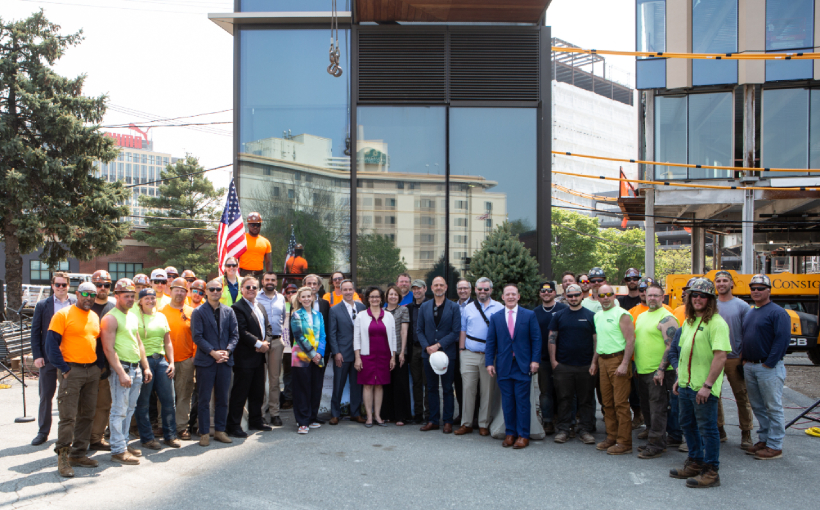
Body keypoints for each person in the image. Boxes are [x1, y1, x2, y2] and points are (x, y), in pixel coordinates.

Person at [669, 278, 731, 488]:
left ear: (710, 299)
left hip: (703, 389)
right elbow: (683, 354)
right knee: (687, 425)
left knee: (708, 430)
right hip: (686, 386)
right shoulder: (689, 322)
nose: (697, 299)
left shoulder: (717, 323)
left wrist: (707, 386)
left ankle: (711, 471)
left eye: (702, 295)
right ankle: (695, 462)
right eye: (694, 295)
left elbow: (720, 357)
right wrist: (680, 379)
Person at [45, 282, 102, 477]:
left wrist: (99, 367)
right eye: (85, 294)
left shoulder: (94, 316)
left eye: (92, 295)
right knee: (68, 416)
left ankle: (78, 454)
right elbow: (51, 344)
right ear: (77, 294)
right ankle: (63, 457)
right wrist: (64, 369)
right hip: (72, 371)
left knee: (87, 414)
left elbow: (99, 343)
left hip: (91, 371)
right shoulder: (63, 314)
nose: (89, 298)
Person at [101, 278, 152, 466]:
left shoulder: (132, 316)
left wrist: (145, 366)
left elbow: (139, 343)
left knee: (129, 410)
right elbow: (108, 349)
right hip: (122, 369)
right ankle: (117, 450)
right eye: (126, 296)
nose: (130, 299)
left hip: (136, 367)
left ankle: (123, 444)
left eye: (132, 296)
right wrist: (121, 373)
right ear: (117, 296)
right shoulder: (110, 318)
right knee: (119, 410)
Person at [485, 283, 542, 450]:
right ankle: (510, 433)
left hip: (523, 365)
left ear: (518, 297)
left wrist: (535, 360)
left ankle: (523, 435)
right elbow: (491, 342)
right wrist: (489, 362)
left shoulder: (529, 315)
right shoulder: (496, 317)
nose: (510, 297)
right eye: (507, 294)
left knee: (523, 402)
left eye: (513, 294)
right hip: (504, 366)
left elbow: (536, 340)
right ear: (502, 297)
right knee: (508, 402)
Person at [742, 274, 791, 460]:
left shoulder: (778, 313)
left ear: (769, 290)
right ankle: (764, 439)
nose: (756, 291)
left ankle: (775, 445)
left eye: (760, 288)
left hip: (768, 367)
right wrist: (745, 360)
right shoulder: (751, 312)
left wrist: (769, 362)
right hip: (751, 366)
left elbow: (782, 340)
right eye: (753, 288)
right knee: (758, 406)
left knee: (773, 406)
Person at [632, 283, 679, 459]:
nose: (652, 298)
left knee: (657, 408)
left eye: (656, 295)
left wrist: (661, 369)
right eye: (649, 295)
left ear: (662, 297)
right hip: (642, 370)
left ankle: (657, 445)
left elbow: (671, 346)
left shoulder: (667, 318)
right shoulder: (643, 316)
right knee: (647, 408)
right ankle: (653, 439)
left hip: (657, 372)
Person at [191, 278, 239, 447]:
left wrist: (227, 351)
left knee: (223, 399)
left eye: (218, 289)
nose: (215, 292)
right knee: (204, 399)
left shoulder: (229, 311)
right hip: (206, 361)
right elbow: (197, 336)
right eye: (212, 289)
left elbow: (234, 335)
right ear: (206, 292)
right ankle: (204, 432)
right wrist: (213, 352)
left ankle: (220, 430)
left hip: (225, 361)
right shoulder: (198, 312)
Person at [31, 272, 76, 446]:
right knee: (46, 395)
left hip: (70, 357)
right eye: (57, 285)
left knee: (71, 396)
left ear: (68, 286)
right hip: (48, 357)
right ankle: (43, 432)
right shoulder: (43, 305)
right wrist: (38, 355)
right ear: (52, 286)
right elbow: (36, 332)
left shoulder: (75, 303)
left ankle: (70, 433)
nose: (60, 288)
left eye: (64, 285)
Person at [548, 284, 597, 445]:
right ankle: (564, 429)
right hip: (563, 366)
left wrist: (594, 362)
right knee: (564, 399)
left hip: (585, 365)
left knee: (586, 400)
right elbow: (552, 339)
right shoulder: (559, 316)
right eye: (570, 296)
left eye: (576, 295)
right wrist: (554, 361)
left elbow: (596, 340)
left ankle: (585, 430)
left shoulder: (591, 316)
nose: (574, 298)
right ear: (566, 297)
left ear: (582, 295)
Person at [713, 270, 754, 449]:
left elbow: (749, 333)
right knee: (714, 395)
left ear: (731, 284)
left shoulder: (742, 306)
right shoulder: (711, 305)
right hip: (714, 357)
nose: (721, 284)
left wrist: (744, 357)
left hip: (734, 358)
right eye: (718, 281)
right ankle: (719, 429)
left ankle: (746, 433)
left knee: (741, 396)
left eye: (724, 281)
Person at [228, 276, 274, 437]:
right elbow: (241, 331)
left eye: (254, 287)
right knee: (240, 393)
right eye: (248, 287)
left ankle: (256, 420)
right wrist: (258, 344)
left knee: (257, 391)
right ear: (241, 289)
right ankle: (233, 425)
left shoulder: (260, 306)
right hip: (245, 357)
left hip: (259, 357)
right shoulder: (237, 308)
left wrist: (267, 342)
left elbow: (268, 327)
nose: (251, 290)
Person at [134, 287, 179, 450]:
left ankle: (170, 436)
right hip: (143, 362)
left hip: (161, 361)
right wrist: (144, 365)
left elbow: (167, 342)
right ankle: (147, 438)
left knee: (168, 401)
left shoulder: (161, 316)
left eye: (152, 298)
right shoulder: (135, 317)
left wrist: (171, 362)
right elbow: (137, 344)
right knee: (143, 402)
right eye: (146, 298)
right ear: (140, 301)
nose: (150, 300)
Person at [593, 283, 635, 455]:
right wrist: (594, 362)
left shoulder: (622, 314)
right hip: (603, 360)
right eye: (601, 295)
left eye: (608, 294)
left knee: (621, 403)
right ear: (597, 297)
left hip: (617, 360)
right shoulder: (598, 316)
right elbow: (599, 342)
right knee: (607, 402)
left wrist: (625, 363)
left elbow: (630, 340)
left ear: (614, 296)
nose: (605, 298)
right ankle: (612, 436)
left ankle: (624, 442)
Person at [457, 276, 503, 436]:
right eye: (480, 289)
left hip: (489, 356)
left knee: (487, 391)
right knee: (468, 390)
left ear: (491, 290)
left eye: (486, 289)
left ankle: (484, 423)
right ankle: (466, 423)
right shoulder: (468, 308)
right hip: (469, 353)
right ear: (475, 290)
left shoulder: (499, 307)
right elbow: (462, 330)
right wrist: (461, 350)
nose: (483, 292)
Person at [417, 276, 461, 433]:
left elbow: (456, 331)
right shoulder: (424, 307)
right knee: (431, 387)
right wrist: (426, 347)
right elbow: (419, 330)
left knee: (448, 388)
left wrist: (438, 344)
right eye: (436, 285)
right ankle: (433, 420)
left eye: (441, 285)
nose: (439, 287)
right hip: (428, 354)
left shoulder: (453, 307)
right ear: (431, 287)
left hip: (447, 353)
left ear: (446, 287)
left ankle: (448, 421)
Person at [354, 286, 397, 427]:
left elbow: (393, 337)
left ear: (381, 298)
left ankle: (378, 416)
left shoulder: (389, 316)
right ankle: (368, 417)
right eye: (372, 297)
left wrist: (393, 356)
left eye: (377, 296)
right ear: (368, 299)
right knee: (367, 385)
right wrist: (358, 357)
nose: (374, 299)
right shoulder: (361, 315)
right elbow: (357, 338)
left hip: (384, 355)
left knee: (379, 386)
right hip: (367, 355)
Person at [160, 278, 196, 441]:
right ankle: (163, 425)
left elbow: (196, 336)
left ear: (186, 292)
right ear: (171, 290)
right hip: (165, 360)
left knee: (184, 394)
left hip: (186, 359)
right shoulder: (161, 312)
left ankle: (182, 427)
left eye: (183, 290)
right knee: (164, 395)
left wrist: (194, 357)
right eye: (176, 289)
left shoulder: (191, 312)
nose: (179, 293)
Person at [328, 279, 367, 425]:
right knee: (338, 384)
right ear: (341, 291)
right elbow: (332, 333)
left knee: (357, 385)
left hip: (359, 354)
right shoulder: (334, 310)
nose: (348, 292)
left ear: (354, 290)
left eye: (350, 289)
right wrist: (336, 352)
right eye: (345, 289)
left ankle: (355, 413)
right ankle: (335, 414)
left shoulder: (362, 307)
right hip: (342, 354)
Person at [290, 286, 327, 434]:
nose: (306, 299)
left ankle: (312, 418)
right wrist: (313, 354)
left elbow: (323, 335)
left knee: (315, 388)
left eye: (308, 296)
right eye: (303, 297)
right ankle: (302, 422)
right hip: (301, 358)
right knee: (302, 389)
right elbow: (299, 337)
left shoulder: (319, 315)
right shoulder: (296, 315)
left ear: (312, 298)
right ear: (299, 299)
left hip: (317, 357)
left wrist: (320, 353)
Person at [533, 281, 567, 435]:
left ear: (555, 292)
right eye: (543, 291)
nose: (546, 293)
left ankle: (565, 422)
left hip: (563, 358)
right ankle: (547, 421)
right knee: (545, 392)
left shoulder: (563, 310)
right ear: (540, 293)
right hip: (543, 359)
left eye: (549, 291)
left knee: (564, 392)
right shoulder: (534, 313)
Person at [88, 270, 116, 452]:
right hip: (84, 363)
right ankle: (81, 439)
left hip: (106, 364)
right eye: (99, 285)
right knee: (83, 405)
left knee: (105, 404)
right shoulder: (84, 307)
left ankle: (96, 438)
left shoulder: (114, 308)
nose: (102, 288)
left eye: (106, 285)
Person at [257, 272, 287, 427]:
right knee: (260, 380)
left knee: (275, 380)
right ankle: (260, 414)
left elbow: (282, 318)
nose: (270, 282)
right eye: (267, 279)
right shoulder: (256, 297)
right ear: (262, 281)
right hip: (260, 343)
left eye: (273, 280)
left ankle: (274, 413)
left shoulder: (281, 298)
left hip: (276, 342)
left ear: (277, 282)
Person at [382, 284, 411, 425]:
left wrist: (403, 352)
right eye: (390, 294)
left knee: (400, 385)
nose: (392, 296)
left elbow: (404, 332)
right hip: (384, 352)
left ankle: (401, 416)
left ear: (399, 296)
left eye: (395, 294)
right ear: (386, 297)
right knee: (386, 385)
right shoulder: (381, 311)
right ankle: (387, 414)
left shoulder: (403, 310)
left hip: (399, 351)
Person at [407, 279, 428, 423]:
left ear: (425, 289)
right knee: (416, 383)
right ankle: (419, 414)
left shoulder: (431, 305)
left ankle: (430, 414)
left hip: (428, 349)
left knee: (429, 382)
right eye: (414, 289)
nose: (416, 291)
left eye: (419, 288)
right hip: (414, 348)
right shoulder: (408, 308)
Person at [453, 278, 473, 425]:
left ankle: (474, 415)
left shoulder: (476, 305)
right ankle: (461, 413)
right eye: (460, 288)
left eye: (465, 288)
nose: (462, 291)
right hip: (454, 348)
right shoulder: (453, 306)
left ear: (470, 290)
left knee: (472, 384)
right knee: (458, 382)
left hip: (470, 349)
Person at [280, 283, 299, 409]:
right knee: (287, 374)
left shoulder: (301, 305)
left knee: (299, 373)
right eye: (288, 292)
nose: (291, 294)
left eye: (294, 292)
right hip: (286, 346)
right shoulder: (282, 305)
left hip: (299, 345)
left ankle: (298, 398)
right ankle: (288, 398)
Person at [239, 212, 271, 278]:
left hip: (259, 275)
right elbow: (235, 258)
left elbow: (268, 262)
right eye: (253, 225)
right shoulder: (241, 239)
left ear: (260, 225)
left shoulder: (266, 242)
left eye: (258, 225)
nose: (255, 227)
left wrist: (269, 276)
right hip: (243, 274)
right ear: (248, 225)